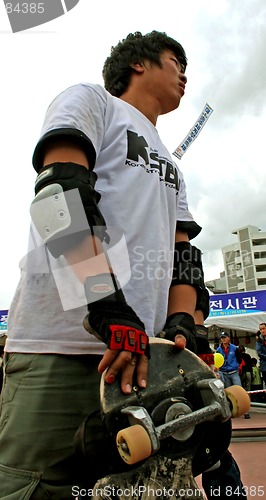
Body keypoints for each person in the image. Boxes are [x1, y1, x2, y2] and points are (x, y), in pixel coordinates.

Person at [0, 30, 245, 500]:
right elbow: (58, 194)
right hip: (61, 349)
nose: (184, 74)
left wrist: (182, 325)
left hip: (143, 364)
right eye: (177, 61)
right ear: (139, 63)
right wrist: (108, 310)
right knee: (37, 489)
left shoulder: (173, 166)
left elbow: (184, 258)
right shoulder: (93, 102)